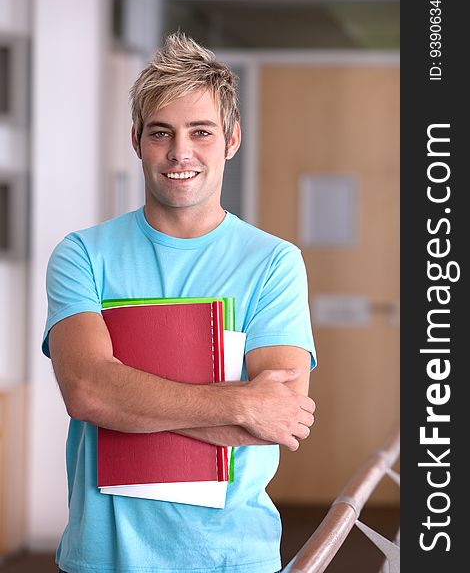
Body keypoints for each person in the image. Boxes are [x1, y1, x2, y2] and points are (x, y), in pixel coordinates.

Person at [43, 31, 316, 573]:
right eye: (161, 133)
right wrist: (240, 402)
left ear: (232, 140)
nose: (180, 152)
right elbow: (88, 391)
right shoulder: (82, 255)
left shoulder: (273, 264)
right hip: (104, 558)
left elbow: (279, 418)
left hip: (231, 558)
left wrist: (132, 400)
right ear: (136, 140)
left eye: (201, 132)